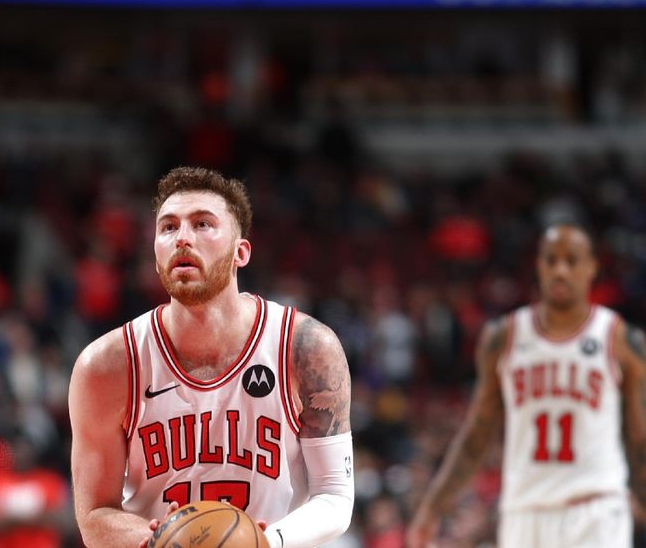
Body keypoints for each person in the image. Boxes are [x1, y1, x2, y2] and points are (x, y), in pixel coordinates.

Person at [69, 167, 354, 548]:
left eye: (203, 224)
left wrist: (262, 543)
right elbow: (93, 517)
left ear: (241, 252)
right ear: (154, 254)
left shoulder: (304, 347)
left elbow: (335, 496)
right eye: (168, 228)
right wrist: (170, 541)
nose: (182, 239)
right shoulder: (106, 366)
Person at [407, 223, 646, 548]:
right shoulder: (503, 338)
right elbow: (477, 434)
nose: (560, 270)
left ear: (591, 267)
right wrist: (433, 507)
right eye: (551, 260)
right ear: (538, 266)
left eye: (572, 260)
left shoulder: (619, 339)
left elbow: (638, 438)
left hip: (596, 507)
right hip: (524, 509)